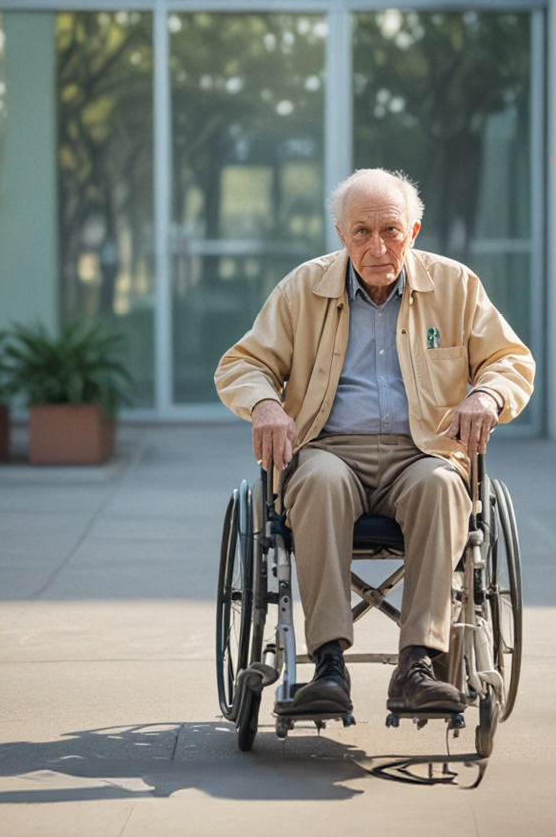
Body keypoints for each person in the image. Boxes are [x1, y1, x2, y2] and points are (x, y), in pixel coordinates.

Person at [215, 168, 535, 719]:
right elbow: (244, 363)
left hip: (424, 450)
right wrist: (266, 405)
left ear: (413, 230)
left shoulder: (455, 286)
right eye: (361, 232)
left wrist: (486, 396)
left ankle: (417, 664)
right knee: (313, 481)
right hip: (330, 448)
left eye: (390, 230)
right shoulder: (303, 288)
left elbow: (510, 361)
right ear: (340, 235)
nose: (377, 246)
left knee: (442, 488)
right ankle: (330, 665)